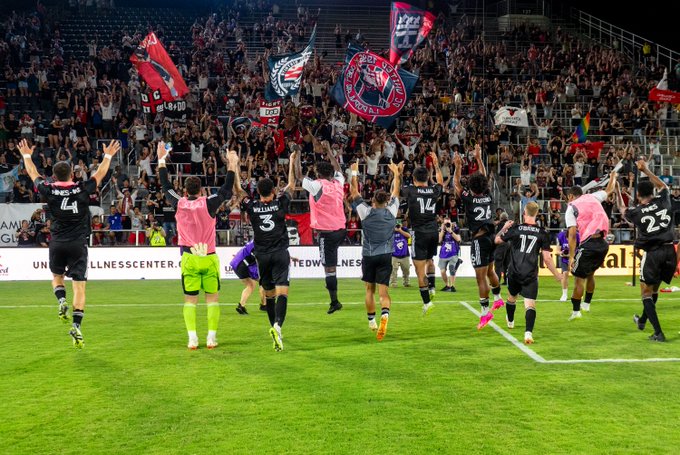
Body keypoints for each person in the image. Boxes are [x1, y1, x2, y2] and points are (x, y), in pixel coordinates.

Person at [19, 138, 120, 348]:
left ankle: (61, 300)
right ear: (72, 175)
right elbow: (100, 173)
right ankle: (76, 326)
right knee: (79, 287)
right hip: (78, 244)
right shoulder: (82, 188)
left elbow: (33, 172)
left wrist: (27, 155)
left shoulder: (48, 189)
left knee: (57, 277)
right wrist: (108, 155)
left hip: (57, 242)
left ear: (54, 177)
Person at [157, 141, 238, 350]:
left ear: (185, 190)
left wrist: (161, 159)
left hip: (189, 258)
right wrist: (231, 164)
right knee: (212, 299)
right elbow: (226, 190)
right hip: (209, 256)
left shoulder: (179, 203)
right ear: (201, 190)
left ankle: (192, 338)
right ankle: (211, 337)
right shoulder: (208, 203)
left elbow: (165, 186)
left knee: (190, 300)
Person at [236, 150, 297, 351]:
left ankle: (274, 330)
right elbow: (292, 185)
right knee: (283, 293)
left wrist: (234, 165)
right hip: (280, 254)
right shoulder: (279, 204)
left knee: (269, 295)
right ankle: (277, 327)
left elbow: (239, 191)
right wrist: (291, 161)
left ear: (259, 193)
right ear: (273, 191)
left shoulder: (252, 206)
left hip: (262, 256)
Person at [617, 160, 677, 342]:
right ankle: (642, 320)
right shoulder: (663, 200)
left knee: (646, 293)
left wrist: (618, 190)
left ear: (638, 195)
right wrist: (646, 170)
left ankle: (658, 333)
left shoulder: (636, 212)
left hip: (653, 254)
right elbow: (664, 185)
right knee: (654, 290)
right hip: (670, 251)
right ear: (652, 191)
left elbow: (622, 209)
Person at [495, 202, 563, 344]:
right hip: (530, 273)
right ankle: (528, 334)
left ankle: (510, 321)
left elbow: (497, 240)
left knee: (512, 298)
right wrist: (557, 275)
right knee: (530, 304)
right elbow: (547, 258)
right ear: (537, 214)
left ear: (524, 213)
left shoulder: (516, 229)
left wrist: (504, 228)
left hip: (514, 271)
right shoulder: (542, 233)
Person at [453, 144, 504, 329]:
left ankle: (485, 312)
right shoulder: (488, 195)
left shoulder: (469, 197)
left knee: (480, 278)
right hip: (491, 236)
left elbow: (456, 184)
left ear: (471, 187)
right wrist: (478, 158)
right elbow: (482, 176)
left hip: (479, 239)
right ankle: (498, 298)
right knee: (490, 271)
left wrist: (458, 166)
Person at [349, 160, 401, 340]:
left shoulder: (366, 212)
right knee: (383, 292)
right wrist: (396, 173)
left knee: (369, 290)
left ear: (372, 201)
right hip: (386, 255)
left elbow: (354, 192)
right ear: (386, 201)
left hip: (369, 255)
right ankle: (384, 314)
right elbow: (396, 191)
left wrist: (354, 173)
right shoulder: (391, 211)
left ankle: (372, 321)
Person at [565, 170, 618, 321]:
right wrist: (613, 176)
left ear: (570, 196)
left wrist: (571, 257)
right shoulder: (593, 196)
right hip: (603, 243)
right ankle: (587, 304)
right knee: (591, 274)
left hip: (588, 244)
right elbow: (610, 189)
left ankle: (576, 312)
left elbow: (572, 234)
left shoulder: (571, 207)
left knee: (578, 279)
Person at [300, 145, 347, 314]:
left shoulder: (317, 185)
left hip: (327, 233)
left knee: (329, 269)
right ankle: (331, 285)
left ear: (318, 173)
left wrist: (295, 157)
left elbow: (299, 176)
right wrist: (329, 152)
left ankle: (335, 301)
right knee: (330, 265)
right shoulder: (338, 183)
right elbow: (339, 169)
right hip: (341, 229)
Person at [400, 151, 443, 315]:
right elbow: (440, 182)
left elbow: (397, 190)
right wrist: (436, 165)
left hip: (419, 232)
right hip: (433, 231)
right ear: (428, 178)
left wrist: (398, 174)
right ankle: (432, 288)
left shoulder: (411, 190)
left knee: (419, 270)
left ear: (413, 179)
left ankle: (427, 303)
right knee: (430, 260)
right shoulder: (433, 190)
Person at [229, 240, 265, 315]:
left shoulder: (256, 241)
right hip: (242, 265)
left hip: (237, 263)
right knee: (263, 282)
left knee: (251, 285)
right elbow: (258, 259)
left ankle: (241, 306)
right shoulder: (260, 244)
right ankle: (264, 305)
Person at [438, 218, 462, 292]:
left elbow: (458, 239)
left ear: (451, 223)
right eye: (446, 224)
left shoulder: (456, 229)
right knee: (442, 271)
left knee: (452, 268)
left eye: (448, 223)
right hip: (443, 254)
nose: (447, 225)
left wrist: (450, 231)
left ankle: (452, 286)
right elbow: (439, 240)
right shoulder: (442, 230)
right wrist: (442, 230)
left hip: (453, 253)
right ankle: (447, 285)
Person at [556, 229, 579, 301]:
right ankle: (564, 294)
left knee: (577, 275)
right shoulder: (561, 236)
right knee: (565, 274)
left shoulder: (578, 236)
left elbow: (580, 249)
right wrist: (561, 253)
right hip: (565, 259)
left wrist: (572, 255)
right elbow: (557, 250)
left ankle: (577, 292)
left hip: (575, 258)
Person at [390, 219, 411, 287]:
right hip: (394, 254)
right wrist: (393, 230)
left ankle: (406, 282)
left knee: (406, 270)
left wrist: (400, 230)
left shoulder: (405, 229)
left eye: (399, 224)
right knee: (393, 270)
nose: (397, 226)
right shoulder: (390, 230)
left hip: (405, 254)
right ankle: (393, 283)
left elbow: (409, 236)